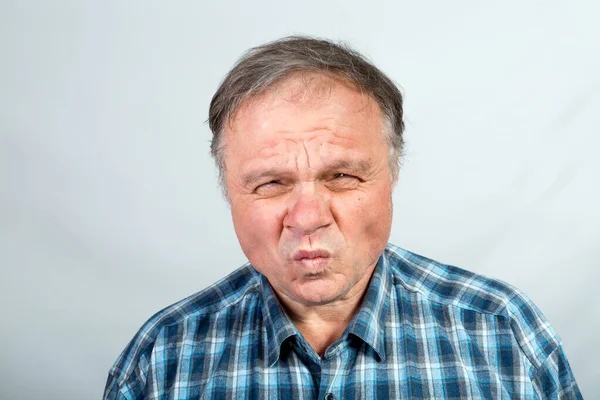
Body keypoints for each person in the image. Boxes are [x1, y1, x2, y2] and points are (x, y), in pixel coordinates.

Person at [103, 36, 582, 399]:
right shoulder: (160, 360)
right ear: (228, 192)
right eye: (271, 183)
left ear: (391, 174)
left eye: (343, 176)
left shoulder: (502, 331)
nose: (308, 217)